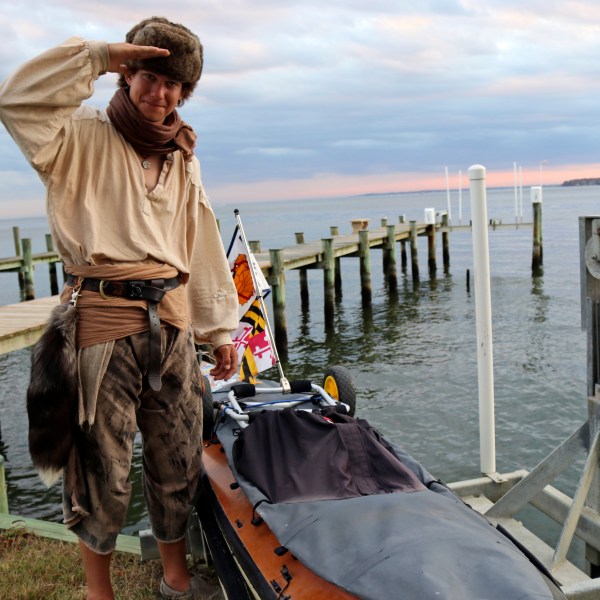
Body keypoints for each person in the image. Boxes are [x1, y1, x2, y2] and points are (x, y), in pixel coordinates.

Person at [0, 16, 239, 600]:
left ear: (185, 92)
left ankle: (174, 577)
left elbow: (200, 242)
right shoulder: (75, 136)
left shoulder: (184, 157)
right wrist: (99, 54)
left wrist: (220, 328)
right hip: (101, 324)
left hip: (175, 326)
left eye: (174, 83)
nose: (161, 93)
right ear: (128, 73)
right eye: (150, 76)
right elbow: (15, 99)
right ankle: (97, 592)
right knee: (99, 469)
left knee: (177, 460)